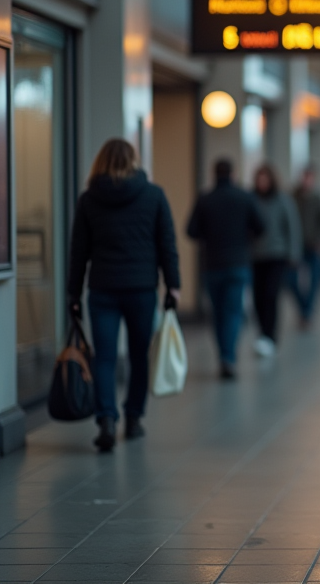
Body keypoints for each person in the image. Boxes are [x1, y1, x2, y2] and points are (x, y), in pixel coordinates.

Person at [66, 139, 180, 451]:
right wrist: (174, 286)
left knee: (104, 357)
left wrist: (72, 293)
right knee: (138, 355)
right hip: (142, 289)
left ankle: (106, 419)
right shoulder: (154, 195)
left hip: (102, 288)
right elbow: (167, 245)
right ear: (134, 160)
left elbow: (79, 252)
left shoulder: (89, 199)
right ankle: (133, 418)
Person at [187, 159, 264, 379]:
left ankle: (223, 354)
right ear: (233, 174)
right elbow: (261, 227)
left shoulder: (205, 199)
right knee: (233, 311)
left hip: (212, 264)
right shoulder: (244, 198)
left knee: (218, 312)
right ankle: (228, 357)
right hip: (238, 263)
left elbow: (191, 230)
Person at [251, 164, 302, 358]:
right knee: (258, 296)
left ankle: (270, 335)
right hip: (255, 255)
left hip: (277, 255)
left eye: (265, 179)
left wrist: (293, 254)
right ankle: (262, 332)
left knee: (271, 294)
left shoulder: (283, 200)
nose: (262, 183)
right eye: (259, 179)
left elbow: (292, 227)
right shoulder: (252, 199)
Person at [290, 166, 320, 328]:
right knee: (291, 280)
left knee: (315, 281)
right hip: (297, 245)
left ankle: (307, 312)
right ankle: (304, 308)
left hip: (315, 246)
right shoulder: (293, 197)